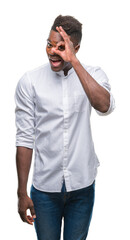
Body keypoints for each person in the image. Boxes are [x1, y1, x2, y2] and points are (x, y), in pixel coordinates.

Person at [15, 15, 115, 240]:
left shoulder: (95, 75)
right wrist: (22, 191)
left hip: (82, 187)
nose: (52, 51)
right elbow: (24, 138)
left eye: (61, 47)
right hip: (44, 191)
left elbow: (104, 106)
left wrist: (75, 62)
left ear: (75, 48)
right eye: (49, 44)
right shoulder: (30, 81)